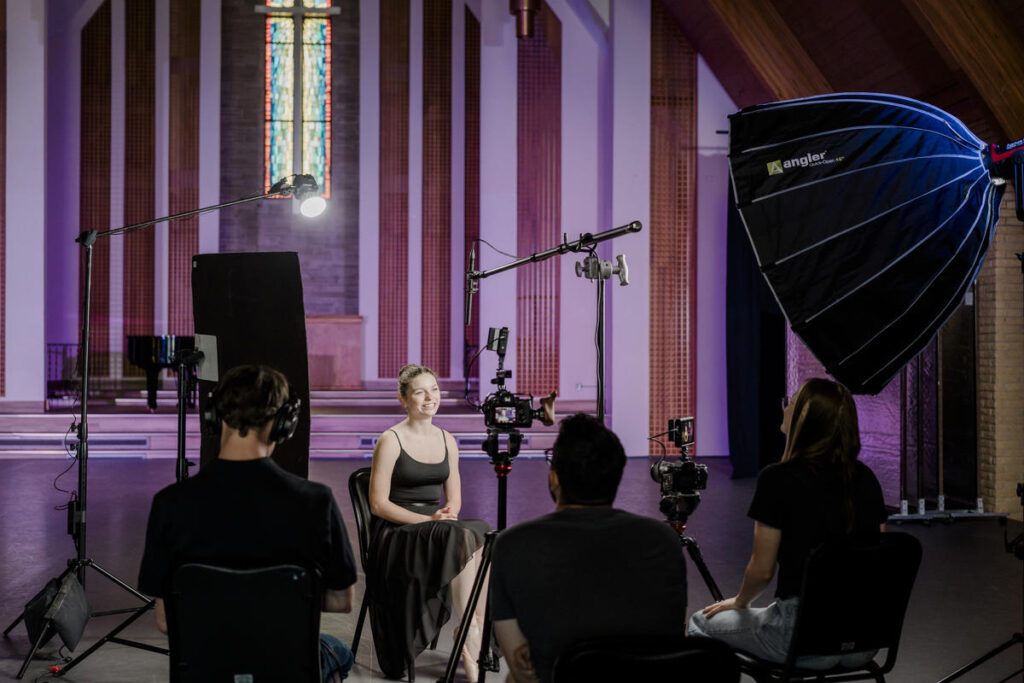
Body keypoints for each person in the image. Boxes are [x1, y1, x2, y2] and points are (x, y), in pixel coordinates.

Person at [138, 364, 357, 681]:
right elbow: (341, 600)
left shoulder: (170, 504)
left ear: (213, 417)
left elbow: (166, 621)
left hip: (207, 669)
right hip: (286, 668)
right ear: (284, 425)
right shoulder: (315, 501)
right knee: (339, 651)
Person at [688, 377, 888, 669]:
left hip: (801, 637)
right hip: (863, 639)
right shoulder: (866, 478)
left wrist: (740, 602)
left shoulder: (778, 479)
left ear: (803, 417)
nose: (784, 408)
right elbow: (877, 555)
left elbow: (763, 569)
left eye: (790, 402)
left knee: (700, 622)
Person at [489, 413, 688, 683]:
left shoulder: (512, 545)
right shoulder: (663, 539)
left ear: (554, 479)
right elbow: (670, 637)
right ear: (616, 476)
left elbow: (522, 666)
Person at [368, 364, 490, 681]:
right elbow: (378, 504)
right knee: (462, 536)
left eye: (434, 389)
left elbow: (455, 501)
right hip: (397, 533)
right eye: (420, 391)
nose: (429, 397)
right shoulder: (391, 439)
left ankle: (470, 627)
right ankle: (470, 641)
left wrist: (444, 516)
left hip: (436, 528)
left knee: (482, 533)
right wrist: (429, 520)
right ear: (403, 398)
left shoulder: (448, 440)